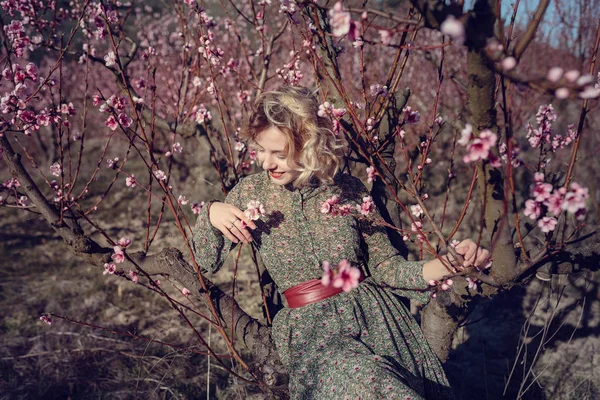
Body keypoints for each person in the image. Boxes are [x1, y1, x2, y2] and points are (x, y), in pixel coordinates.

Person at [190, 86, 490, 399]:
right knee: (365, 379)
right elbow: (206, 260)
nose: (267, 163)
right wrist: (212, 212)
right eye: (261, 151)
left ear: (308, 144)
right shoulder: (251, 193)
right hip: (311, 331)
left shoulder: (349, 190)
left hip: (375, 321)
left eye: (279, 154)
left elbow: (386, 268)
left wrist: (443, 265)